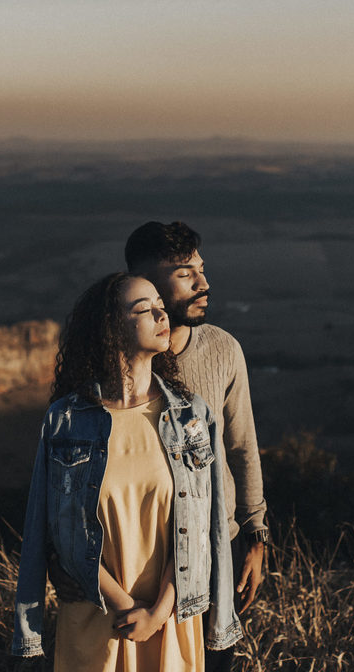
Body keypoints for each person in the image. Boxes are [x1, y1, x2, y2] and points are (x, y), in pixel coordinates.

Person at [12, 272, 243, 669]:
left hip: (171, 620)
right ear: (111, 330)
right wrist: (123, 605)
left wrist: (156, 613)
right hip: (95, 620)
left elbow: (203, 527)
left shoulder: (191, 416)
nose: (161, 314)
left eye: (160, 305)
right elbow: (49, 530)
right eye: (144, 309)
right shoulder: (65, 422)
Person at [124, 221, 269, 672]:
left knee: (212, 662)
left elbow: (242, 447)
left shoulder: (223, 349)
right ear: (148, 284)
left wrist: (255, 534)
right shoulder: (119, 361)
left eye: (201, 270)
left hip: (214, 548)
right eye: (186, 273)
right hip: (138, 554)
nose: (204, 284)